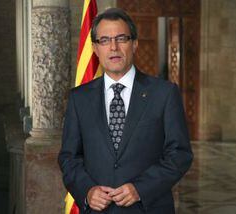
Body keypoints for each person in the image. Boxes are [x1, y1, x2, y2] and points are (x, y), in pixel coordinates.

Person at [58, 8, 193, 214]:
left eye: (121, 38)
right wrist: (87, 190)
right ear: (95, 48)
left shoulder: (164, 94)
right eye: (104, 40)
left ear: (135, 44)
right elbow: (69, 157)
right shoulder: (79, 98)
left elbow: (179, 154)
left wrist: (141, 188)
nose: (113, 47)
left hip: (149, 208)